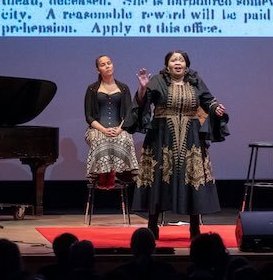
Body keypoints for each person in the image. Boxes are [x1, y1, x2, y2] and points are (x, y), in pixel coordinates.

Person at [130, 50, 230, 240]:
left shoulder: (195, 81)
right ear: (167, 65)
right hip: (161, 136)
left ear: (186, 64)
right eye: (173, 60)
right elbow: (142, 104)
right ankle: (152, 224)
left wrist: (216, 109)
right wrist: (143, 88)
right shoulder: (157, 81)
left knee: (192, 177)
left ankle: (194, 227)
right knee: (159, 177)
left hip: (191, 136)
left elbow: (209, 101)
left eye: (181, 60)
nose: (178, 63)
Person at [84, 55, 139, 189]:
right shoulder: (92, 89)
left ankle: (121, 173)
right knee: (99, 140)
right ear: (98, 70)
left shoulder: (124, 88)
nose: (107, 66)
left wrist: (120, 129)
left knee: (125, 138)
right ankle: (100, 174)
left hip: (119, 127)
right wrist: (103, 130)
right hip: (97, 128)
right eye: (103, 64)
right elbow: (89, 116)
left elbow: (128, 113)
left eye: (109, 63)